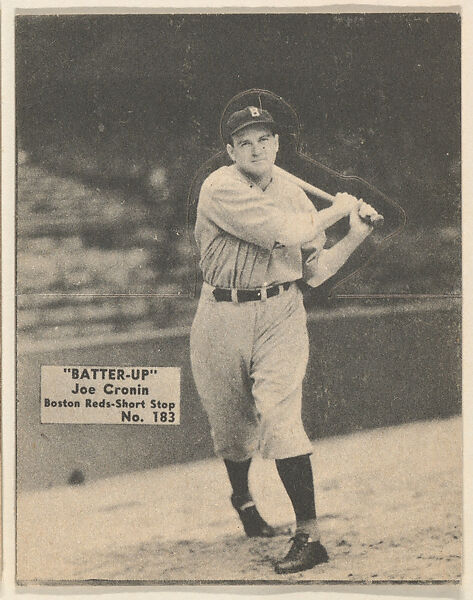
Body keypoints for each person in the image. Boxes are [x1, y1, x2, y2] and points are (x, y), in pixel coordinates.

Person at [190, 105, 377, 574]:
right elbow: (287, 231)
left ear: (277, 145)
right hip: (221, 314)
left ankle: (309, 535)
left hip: (280, 313)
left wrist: (354, 232)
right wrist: (337, 207)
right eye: (245, 141)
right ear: (230, 151)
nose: (256, 148)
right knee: (232, 431)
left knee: (280, 417)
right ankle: (244, 500)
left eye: (264, 139)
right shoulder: (220, 187)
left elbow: (315, 273)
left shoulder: (293, 193)